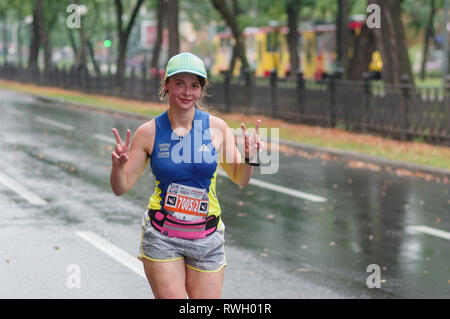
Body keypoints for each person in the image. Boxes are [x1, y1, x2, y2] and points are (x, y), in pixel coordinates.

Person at [110, 52, 263, 299]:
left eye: (194, 85)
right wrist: (118, 166)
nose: (186, 91)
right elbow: (121, 187)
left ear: (201, 90)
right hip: (163, 235)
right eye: (179, 83)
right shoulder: (149, 132)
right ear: (166, 85)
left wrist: (250, 157)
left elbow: (241, 178)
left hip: (207, 235)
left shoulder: (217, 129)